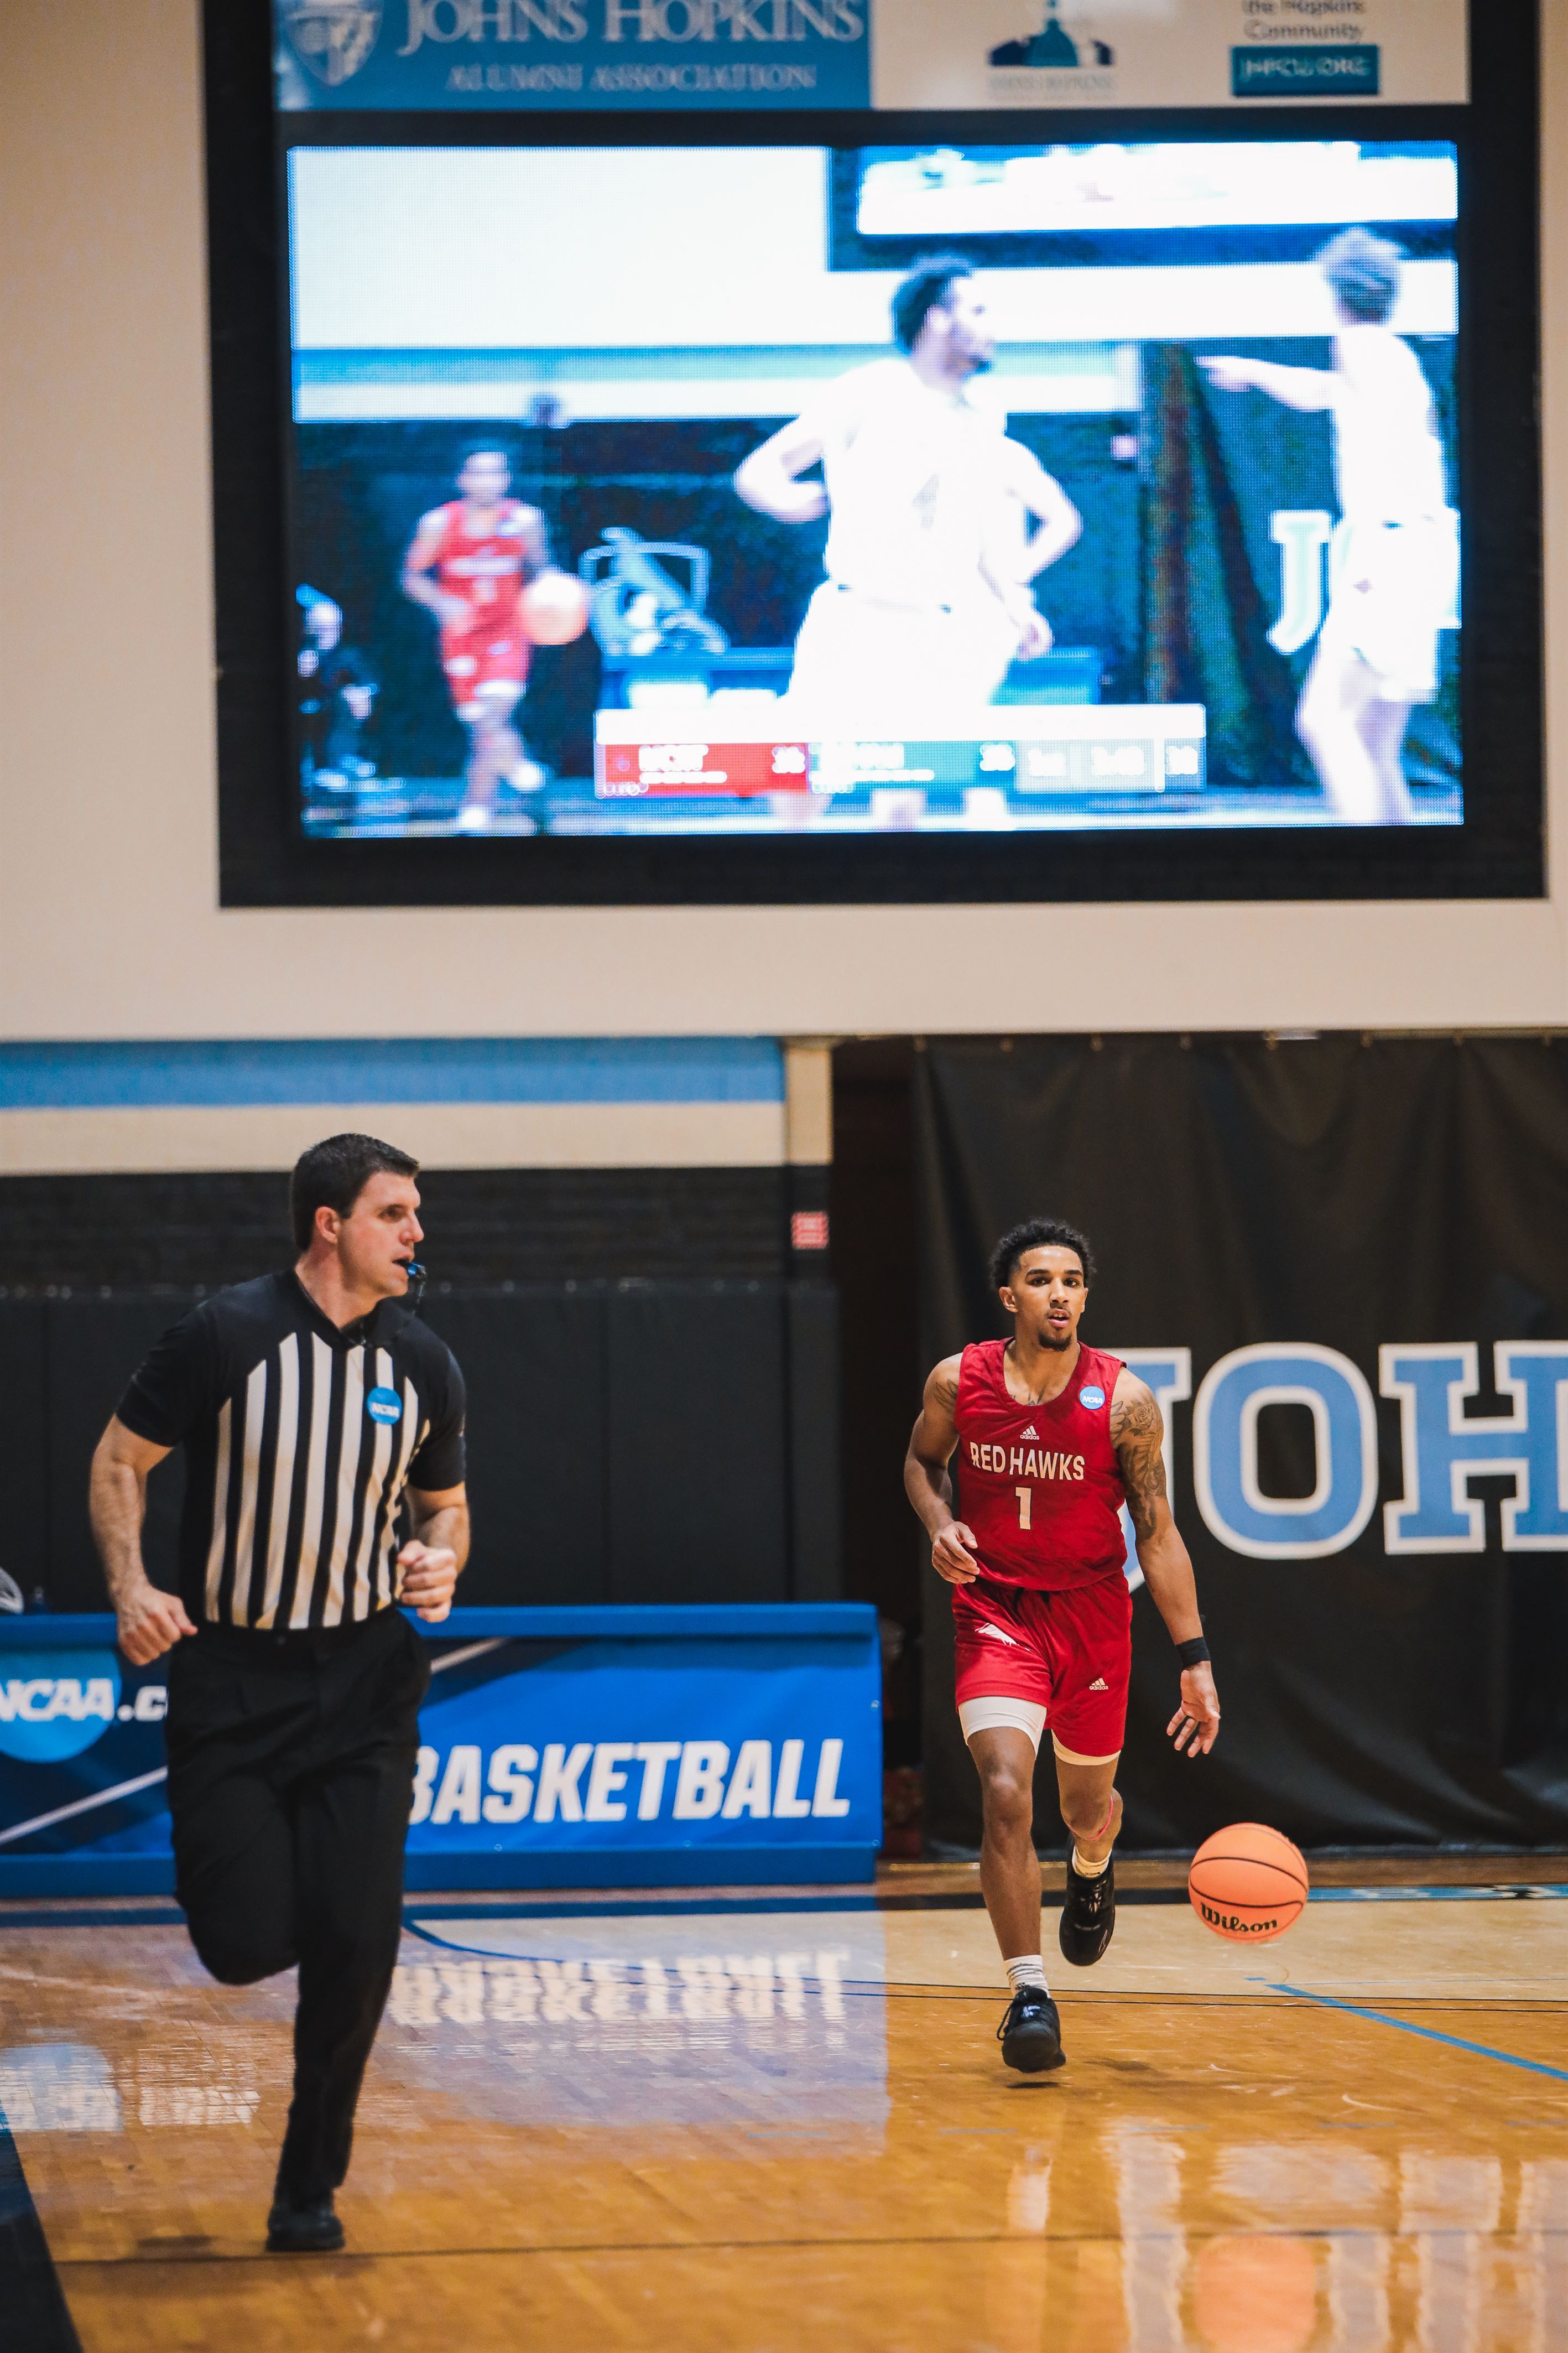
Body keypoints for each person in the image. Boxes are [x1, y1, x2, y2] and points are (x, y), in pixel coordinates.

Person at [88, 1134, 469, 2253]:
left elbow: (446, 1504)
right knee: (242, 1940)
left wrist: (441, 1556)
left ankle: (308, 2185)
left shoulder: (425, 1360)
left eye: (415, 1214)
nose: (415, 1233)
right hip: (233, 1674)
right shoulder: (225, 1333)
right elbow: (120, 1458)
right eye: (395, 1213)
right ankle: (306, 1911)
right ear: (329, 1223)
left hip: (364, 1678)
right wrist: (131, 1583)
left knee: (359, 1945)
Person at [903, 1217, 1220, 2075]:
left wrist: (1195, 1663)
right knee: (1005, 1790)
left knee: (1084, 1807)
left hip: (1089, 1617)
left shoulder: (1123, 1402)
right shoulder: (956, 1381)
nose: (1059, 1294)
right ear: (1010, 1296)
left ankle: (1091, 1860)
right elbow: (921, 1463)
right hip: (995, 1609)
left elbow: (1157, 1537)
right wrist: (940, 1522)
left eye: (1073, 1280)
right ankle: (1028, 1992)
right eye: (1041, 1280)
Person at [733, 257, 1081, 722]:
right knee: (805, 778)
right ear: (938, 319)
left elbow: (971, 529)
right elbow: (760, 471)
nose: (992, 326)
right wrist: (795, 501)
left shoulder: (981, 416)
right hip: (856, 616)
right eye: (978, 311)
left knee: (911, 785)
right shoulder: (868, 392)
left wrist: (1011, 601)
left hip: (936, 624)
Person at [1199, 228, 1454, 826]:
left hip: (1389, 553)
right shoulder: (1392, 359)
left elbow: (1334, 387)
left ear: (1339, 295)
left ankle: (1366, 875)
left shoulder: (1362, 346)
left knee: (1323, 720)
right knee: (1373, 741)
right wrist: (1255, 371)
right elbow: (1319, 393)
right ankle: (1406, 875)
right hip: (1420, 551)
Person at [400, 444, 550, 835]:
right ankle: (516, 766)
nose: (487, 480)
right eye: (478, 472)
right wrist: (440, 601)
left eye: (496, 472)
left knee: (491, 719)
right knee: (481, 726)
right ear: (462, 479)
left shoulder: (525, 519)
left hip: (507, 632)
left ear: (506, 479)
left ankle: (476, 807)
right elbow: (412, 576)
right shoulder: (438, 523)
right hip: (462, 636)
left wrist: (553, 601)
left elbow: (541, 570)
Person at [296, 588, 378, 791]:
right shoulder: (304, 654)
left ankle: (346, 759)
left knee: (347, 706)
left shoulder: (348, 655)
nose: (327, 635)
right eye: (321, 629)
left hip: (336, 713)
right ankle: (320, 769)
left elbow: (369, 682)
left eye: (332, 628)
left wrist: (358, 693)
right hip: (307, 711)